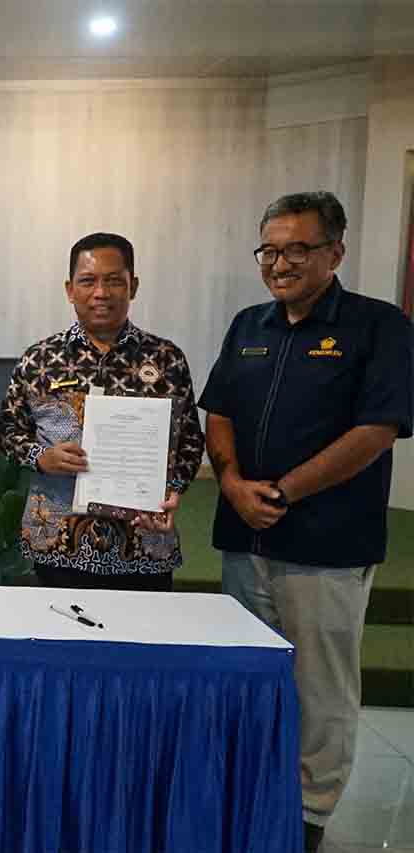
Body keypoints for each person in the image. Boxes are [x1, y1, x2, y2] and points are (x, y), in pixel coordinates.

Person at [199, 191, 413, 853]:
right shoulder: (249, 325)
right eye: (269, 250)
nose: (280, 263)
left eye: (298, 248)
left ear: (335, 252)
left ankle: (307, 818)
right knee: (249, 678)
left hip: (325, 545)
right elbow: (219, 412)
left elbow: (376, 431)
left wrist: (284, 492)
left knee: (319, 690)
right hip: (245, 536)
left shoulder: (379, 326)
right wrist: (231, 483)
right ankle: (249, 798)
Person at [0, 233, 205, 591]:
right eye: (88, 281)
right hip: (58, 544)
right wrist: (40, 457)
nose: (101, 293)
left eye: (114, 281)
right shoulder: (39, 359)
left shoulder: (166, 359)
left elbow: (189, 440)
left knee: (145, 629)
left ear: (133, 286)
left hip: (144, 543)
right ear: (70, 289)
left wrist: (173, 490)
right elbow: (7, 431)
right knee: (57, 628)